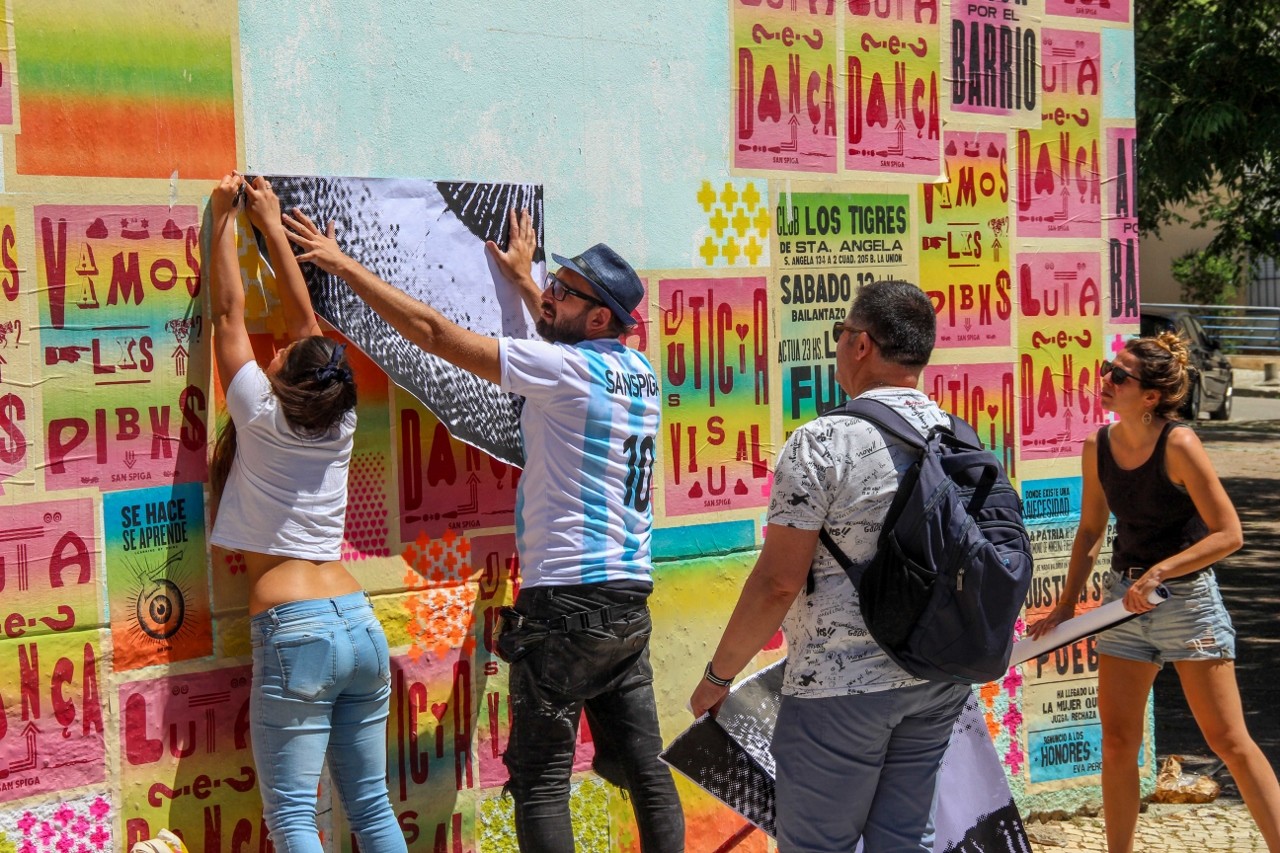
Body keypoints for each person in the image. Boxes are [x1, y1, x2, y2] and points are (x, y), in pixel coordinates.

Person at [282, 207, 684, 852]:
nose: (549, 294)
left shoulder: (566, 371)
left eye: (563, 291)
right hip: (627, 603)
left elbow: (434, 332)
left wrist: (342, 264)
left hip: (566, 604)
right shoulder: (638, 371)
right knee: (646, 767)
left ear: (598, 319)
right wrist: (526, 282)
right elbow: (566, 336)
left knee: (542, 781)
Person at [690, 280, 970, 853]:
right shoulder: (956, 435)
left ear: (861, 344)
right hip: (936, 676)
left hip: (841, 685)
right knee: (903, 843)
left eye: (840, 333)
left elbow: (777, 583)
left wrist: (718, 678)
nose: (838, 344)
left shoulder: (822, 442)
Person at [206, 174, 407, 853]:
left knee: (294, 818)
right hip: (359, 622)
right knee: (372, 807)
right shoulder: (339, 418)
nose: (280, 346)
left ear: (287, 376)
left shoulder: (260, 413)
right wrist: (269, 223)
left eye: (284, 355)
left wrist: (224, 217)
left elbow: (228, 316)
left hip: (297, 632)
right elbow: (308, 331)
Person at [1028, 333, 1280, 853]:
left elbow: (1229, 533)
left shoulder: (1179, 444)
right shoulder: (1098, 445)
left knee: (1228, 741)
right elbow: (1090, 530)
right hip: (1124, 605)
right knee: (1119, 742)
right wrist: (1068, 604)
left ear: (1150, 396)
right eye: (1108, 368)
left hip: (1187, 603)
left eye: (1119, 375)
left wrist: (1161, 572)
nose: (1106, 379)